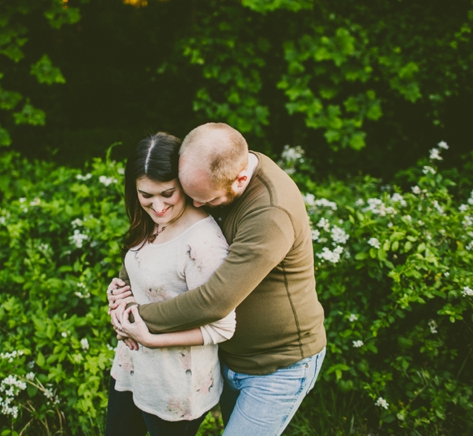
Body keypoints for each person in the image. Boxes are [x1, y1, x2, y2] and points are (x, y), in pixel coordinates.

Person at [108, 122, 326, 436]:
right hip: (230, 356)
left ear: (240, 180)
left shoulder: (270, 212)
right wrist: (124, 287)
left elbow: (216, 301)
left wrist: (136, 316)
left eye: (205, 201)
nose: (196, 207)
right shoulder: (220, 168)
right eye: (190, 195)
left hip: (277, 363)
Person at [105, 132, 236, 436]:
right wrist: (119, 294)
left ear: (184, 183)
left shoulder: (203, 244)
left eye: (167, 193)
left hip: (175, 385)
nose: (158, 205)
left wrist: (150, 338)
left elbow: (222, 327)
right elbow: (147, 279)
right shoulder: (150, 222)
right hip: (132, 367)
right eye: (145, 194)